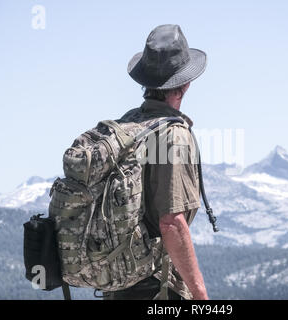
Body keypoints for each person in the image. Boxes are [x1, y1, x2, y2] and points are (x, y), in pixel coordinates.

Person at [103, 24, 208, 300]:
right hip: (155, 288)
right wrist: (201, 296)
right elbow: (171, 223)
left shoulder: (127, 125)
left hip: (117, 285)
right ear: (185, 84)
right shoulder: (174, 135)